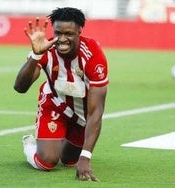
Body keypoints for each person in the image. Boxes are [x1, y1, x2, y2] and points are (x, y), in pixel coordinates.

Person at [14, 7, 109, 181]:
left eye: (69, 34)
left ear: (80, 30)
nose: (63, 39)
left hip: (81, 115)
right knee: (47, 161)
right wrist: (35, 55)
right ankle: (31, 144)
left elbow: (96, 111)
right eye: (58, 33)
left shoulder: (93, 54)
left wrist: (85, 157)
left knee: (69, 161)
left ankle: (59, 140)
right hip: (54, 105)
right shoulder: (45, 49)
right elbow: (20, 87)